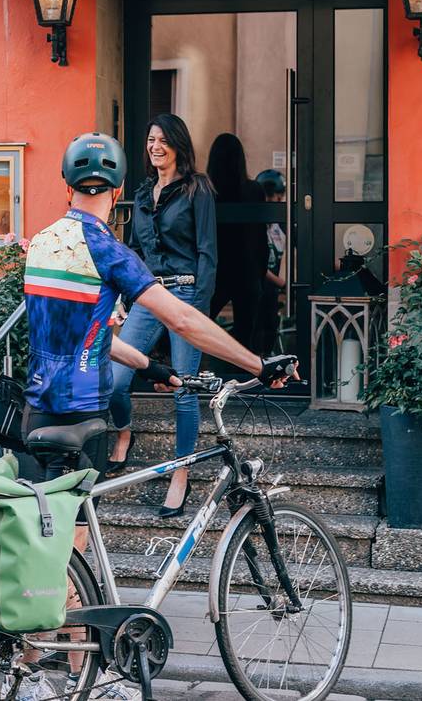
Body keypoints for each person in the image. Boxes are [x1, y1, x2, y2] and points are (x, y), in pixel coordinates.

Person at [17, 133, 296, 701]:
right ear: (119, 190)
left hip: (35, 409)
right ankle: (74, 679)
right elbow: (185, 320)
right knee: (70, 551)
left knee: (46, 546)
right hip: (82, 414)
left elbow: (85, 333)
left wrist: (153, 369)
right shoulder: (107, 248)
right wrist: (256, 363)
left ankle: (28, 670)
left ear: (66, 186)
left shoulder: (43, 241)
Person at [106, 116, 216, 519]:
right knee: (116, 379)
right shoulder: (141, 194)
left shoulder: (197, 189)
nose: (155, 146)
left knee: (185, 391)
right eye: (151, 139)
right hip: (149, 295)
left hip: (186, 293)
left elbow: (208, 252)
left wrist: (198, 310)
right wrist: (119, 295)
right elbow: (132, 253)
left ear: (178, 145)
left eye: (163, 140)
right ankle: (123, 430)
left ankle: (181, 471)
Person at [206, 133, 268, 353]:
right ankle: (246, 373)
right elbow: (261, 238)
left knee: (201, 324)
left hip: (216, 269)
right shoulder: (254, 190)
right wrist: (260, 272)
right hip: (247, 269)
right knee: (247, 333)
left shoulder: (206, 191)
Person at [255, 169, 287, 356]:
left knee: (271, 324)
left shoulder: (281, 223)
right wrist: (282, 283)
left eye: (278, 197)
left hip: (276, 287)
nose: (274, 202)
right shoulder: (255, 223)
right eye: (269, 197)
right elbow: (256, 264)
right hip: (261, 285)